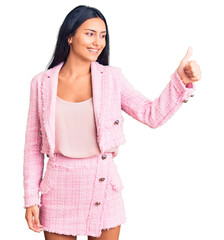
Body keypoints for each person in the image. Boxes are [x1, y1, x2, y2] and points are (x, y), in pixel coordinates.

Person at [23, 5, 201, 240]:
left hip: (102, 188)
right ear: (69, 36)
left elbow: (151, 114)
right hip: (58, 191)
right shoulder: (41, 83)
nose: (98, 42)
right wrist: (30, 199)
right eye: (90, 33)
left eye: (103, 35)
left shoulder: (112, 79)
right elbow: (33, 147)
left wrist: (180, 81)